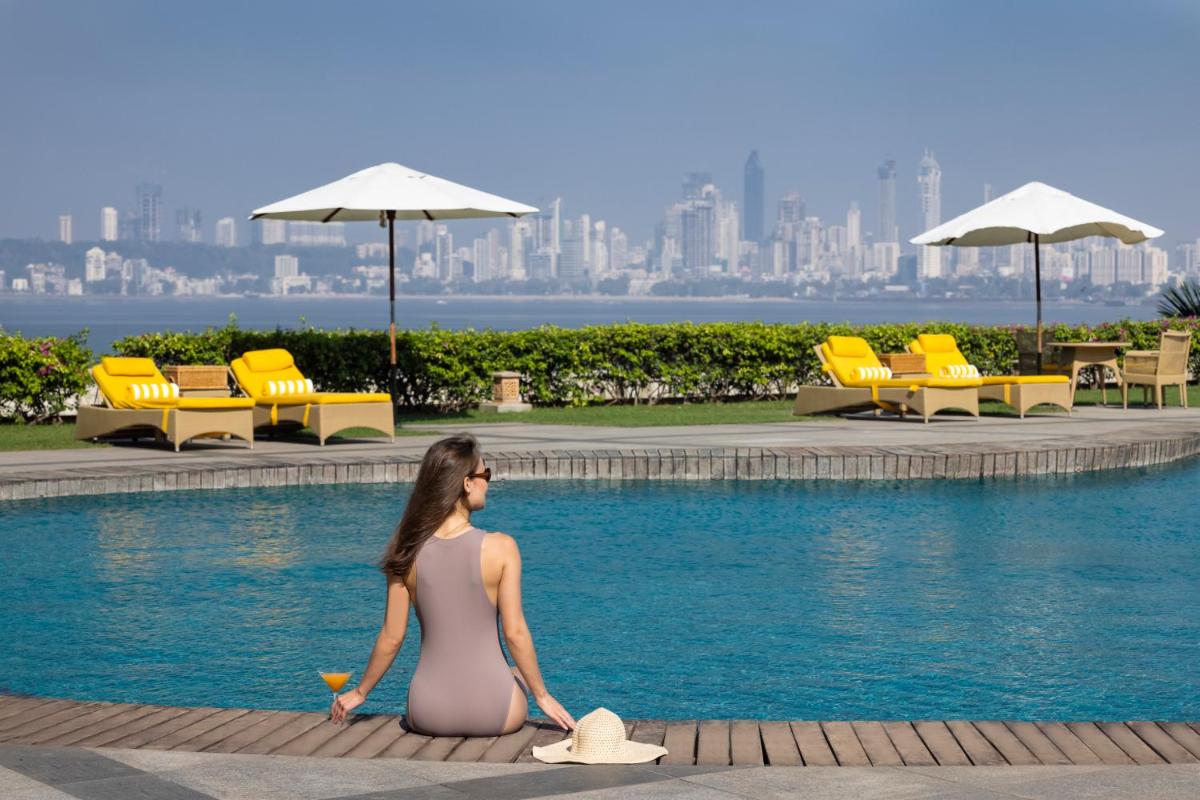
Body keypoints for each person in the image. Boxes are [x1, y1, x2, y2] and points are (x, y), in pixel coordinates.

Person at [330, 434, 576, 737]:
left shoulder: (406, 551)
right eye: (485, 473)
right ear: (466, 483)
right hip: (496, 714)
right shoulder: (501, 547)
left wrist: (360, 692)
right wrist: (542, 696)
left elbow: (392, 637)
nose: (488, 481)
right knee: (516, 676)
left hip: (428, 712)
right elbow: (515, 632)